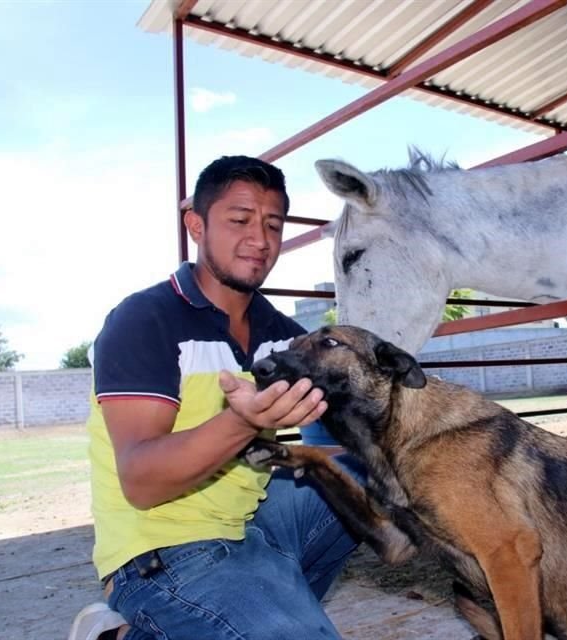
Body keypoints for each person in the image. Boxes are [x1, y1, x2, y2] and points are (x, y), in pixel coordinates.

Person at [68, 156, 360, 640]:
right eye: (240, 220)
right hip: (161, 551)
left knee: (368, 472)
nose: (261, 240)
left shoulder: (281, 336)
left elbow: (335, 432)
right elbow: (142, 481)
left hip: (255, 526)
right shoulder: (146, 320)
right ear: (196, 225)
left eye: (273, 224)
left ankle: (251, 607)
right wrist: (242, 422)